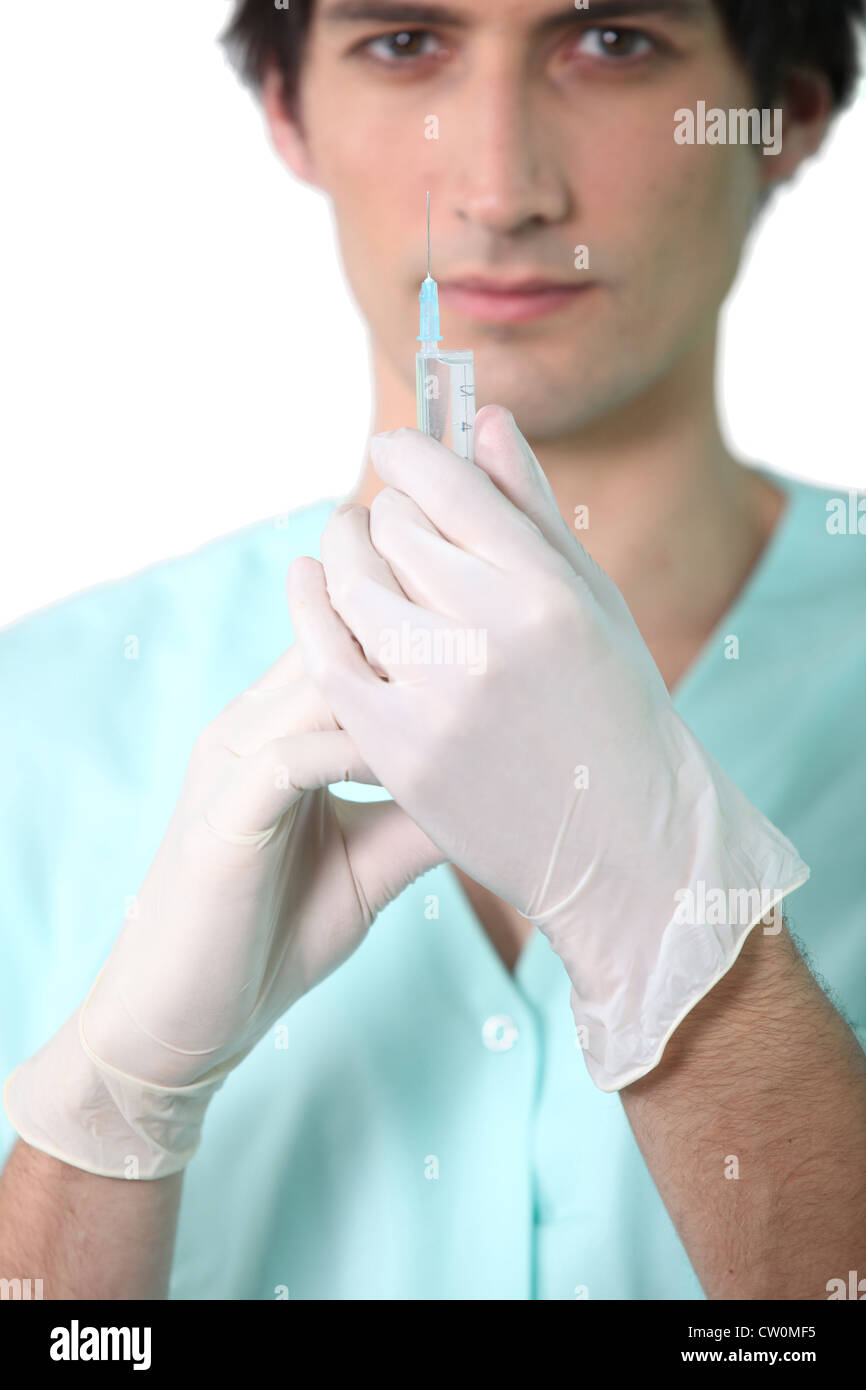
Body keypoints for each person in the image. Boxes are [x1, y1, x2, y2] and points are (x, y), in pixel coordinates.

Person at [1, 0, 865, 1301]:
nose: (500, 187)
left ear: (786, 110)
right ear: (288, 110)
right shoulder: (46, 722)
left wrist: (697, 970)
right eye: (404, 42)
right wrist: (110, 1118)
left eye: (612, 41)